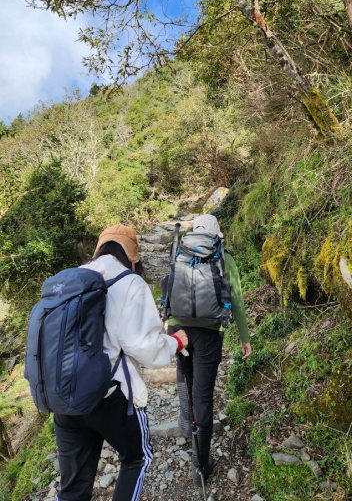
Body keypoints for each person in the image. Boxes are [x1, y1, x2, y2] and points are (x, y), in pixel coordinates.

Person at [54, 224, 188, 501]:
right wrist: (175, 343)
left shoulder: (68, 282)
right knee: (137, 459)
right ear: (132, 255)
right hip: (109, 397)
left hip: (64, 398)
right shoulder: (129, 282)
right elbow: (144, 347)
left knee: (73, 486)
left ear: (99, 248)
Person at [167, 214, 251, 485]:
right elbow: (235, 300)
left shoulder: (181, 251)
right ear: (217, 233)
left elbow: (167, 291)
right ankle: (200, 465)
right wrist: (243, 337)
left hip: (178, 329)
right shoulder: (224, 257)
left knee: (185, 374)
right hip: (209, 333)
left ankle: (185, 417)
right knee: (203, 396)